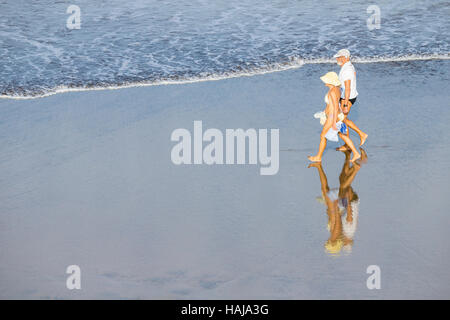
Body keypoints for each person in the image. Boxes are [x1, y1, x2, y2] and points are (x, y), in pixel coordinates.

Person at [308, 72, 361, 163]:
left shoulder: (332, 91)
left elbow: (335, 106)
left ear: (330, 81)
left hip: (333, 116)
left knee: (323, 136)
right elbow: (331, 104)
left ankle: (318, 157)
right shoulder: (337, 89)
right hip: (336, 115)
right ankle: (356, 153)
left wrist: (333, 123)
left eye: (326, 80)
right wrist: (324, 112)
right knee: (342, 135)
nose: (324, 81)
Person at [333, 49, 368, 151]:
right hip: (346, 96)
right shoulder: (349, 66)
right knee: (343, 120)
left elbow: (348, 87)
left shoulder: (347, 70)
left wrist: (345, 104)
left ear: (345, 58)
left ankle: (361, 134)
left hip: (347, 98)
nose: (337, 59)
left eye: (339, 57)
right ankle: (347, 144)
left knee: (341, 119)